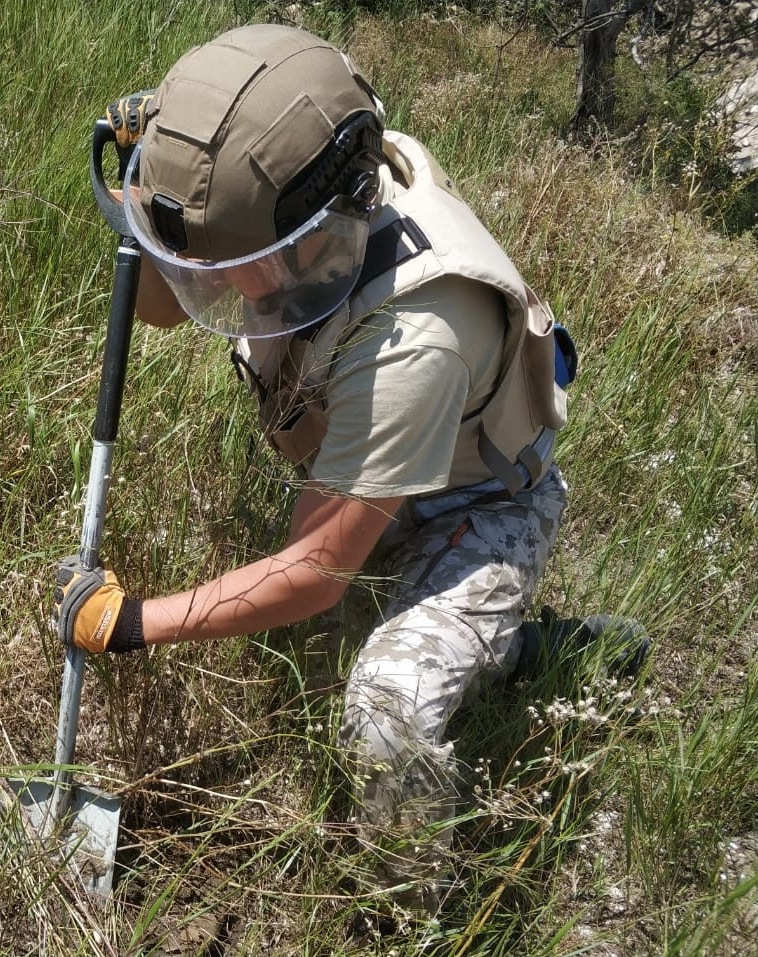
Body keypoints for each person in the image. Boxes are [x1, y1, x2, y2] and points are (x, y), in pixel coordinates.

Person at [52, 23, 645, 916]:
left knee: (385, 706)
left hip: (475, 504)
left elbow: (317, 573)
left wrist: (131, 621)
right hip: (378, 462)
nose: (220, 284)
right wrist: (156, 195)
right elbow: (173, 304)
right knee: (336, 642)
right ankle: (500, 648)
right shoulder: (299, 174)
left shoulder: (416, 338)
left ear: (309, 235)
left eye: (231, 263)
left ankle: (415, 903)